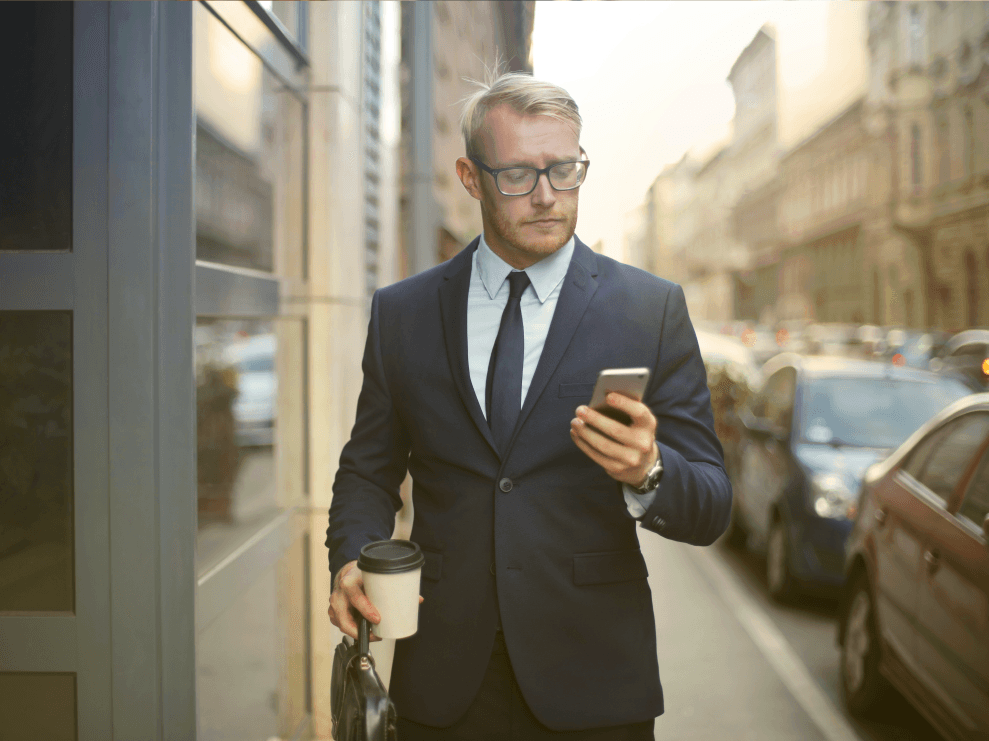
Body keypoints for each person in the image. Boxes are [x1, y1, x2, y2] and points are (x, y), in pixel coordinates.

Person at [325, 71, 732, 740]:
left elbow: (711, 505)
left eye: (564, 170)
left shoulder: (650, 308)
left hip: (596, 683)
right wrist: (349, 558)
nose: (547, 196)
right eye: (517, 174)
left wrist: (648, 472)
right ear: (469, 175)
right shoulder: (403, 313)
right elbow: (368, 470)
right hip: (442, 685)